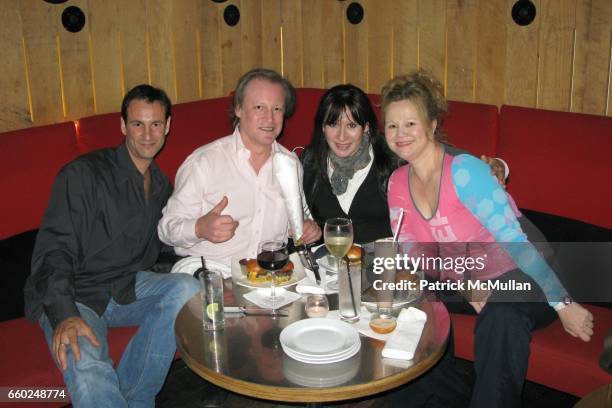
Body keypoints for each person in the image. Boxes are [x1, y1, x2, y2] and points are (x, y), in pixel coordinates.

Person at [382, 70, 594, 407]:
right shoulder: (396, 183)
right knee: (402, 300)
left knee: (502, 311)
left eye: (410, 123)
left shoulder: (465, 172)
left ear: (433, 124)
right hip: (466, 276)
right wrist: (467, 282)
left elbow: (517, 243)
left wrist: (563, 304)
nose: (400, 134)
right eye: (392, 125)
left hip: (525, 273)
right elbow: (414, 250)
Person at [24, 85, 200, 408]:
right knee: (86, 364)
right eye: (137, 124)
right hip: (76, 293)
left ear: (168, 127)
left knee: (188, 288)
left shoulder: (161, 186)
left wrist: (203, 237)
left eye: (156, 124)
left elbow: (163, 250)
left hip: (124, 286)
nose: (148, 134)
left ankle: (135, 398)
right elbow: (54, 251)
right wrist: (64, 314)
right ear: (122, 126)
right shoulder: (83, 175)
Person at [301, 84, 507, 245]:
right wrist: (309, 227)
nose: (341, 136)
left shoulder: (394, 154)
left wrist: (498, 165)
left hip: (387, 265)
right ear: (322, 127)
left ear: (366, 127)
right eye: (333, 124)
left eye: (351, 125)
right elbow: (304, 215)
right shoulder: (309, 162)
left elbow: (442, 158)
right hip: (329, 268)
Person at [158, 68, 321, 267]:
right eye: (259, 107)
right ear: (238, 109)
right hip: (210, 270)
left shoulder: (290, 164)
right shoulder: (204, 162)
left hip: (269, 272)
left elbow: (300, 219)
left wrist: (308, 228)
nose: (269, 119)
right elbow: (165, 229)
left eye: (277, 109)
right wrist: (200, 228)